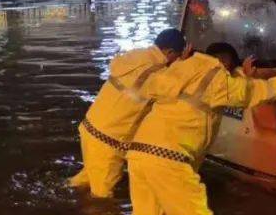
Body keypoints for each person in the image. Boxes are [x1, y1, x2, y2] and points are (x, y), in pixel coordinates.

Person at [126, 41, 276, 215]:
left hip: (138, 153)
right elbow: (250, 93)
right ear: (224, 64)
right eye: (231, 69)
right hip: (168, 159)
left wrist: (242, 76)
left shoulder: (181, 68)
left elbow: (222, 90)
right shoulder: (217, 79)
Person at [69, 28, 189, 198]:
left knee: (86, 177)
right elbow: (174, 89)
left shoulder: (135, 54)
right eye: (176, 55)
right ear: (170, 52)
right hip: (108, 141)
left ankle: (60, 198)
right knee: (102, 196)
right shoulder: (157, 71)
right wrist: (183, 65)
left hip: (90, 128)